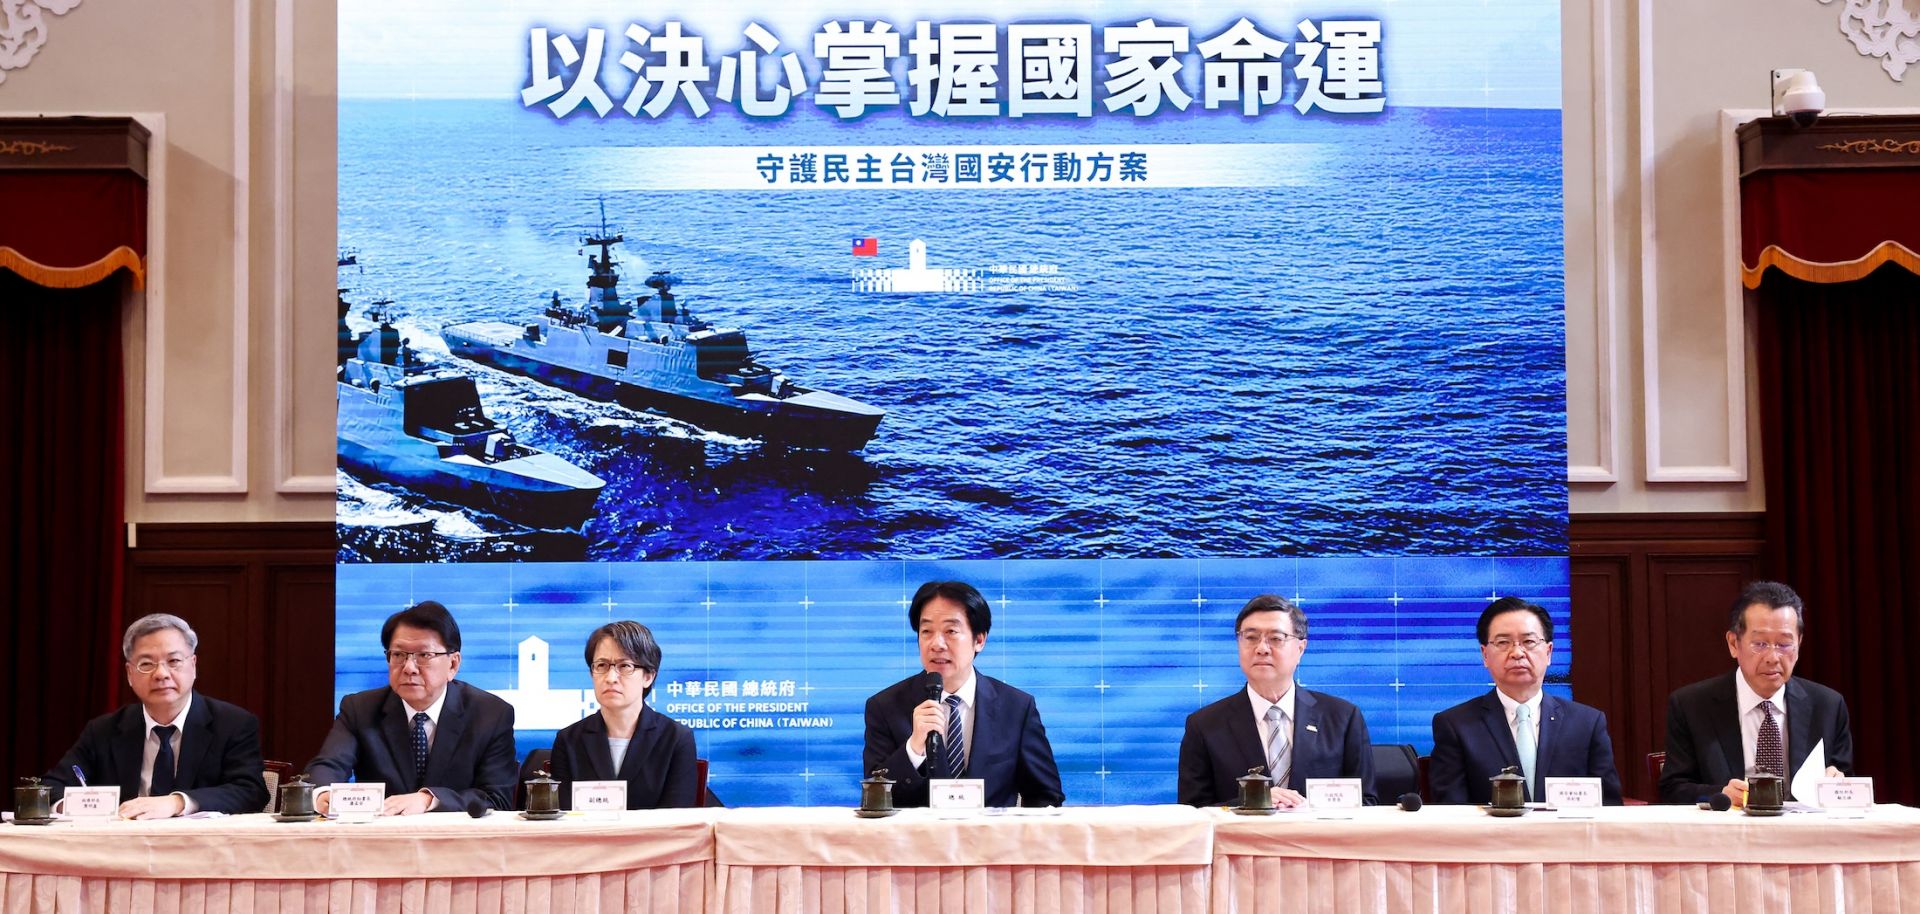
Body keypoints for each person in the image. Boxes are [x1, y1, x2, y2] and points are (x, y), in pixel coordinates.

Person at [39, 614, 268, 818]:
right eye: (146, 664)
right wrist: (84, 807)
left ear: (194, 665)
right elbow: (51, 788)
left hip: (202, 855)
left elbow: (251, 791)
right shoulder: (104, 730)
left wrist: (177, 802)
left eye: (174, 661)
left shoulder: (233, 724)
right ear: (130, 673)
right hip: (122, 852)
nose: (161, 674)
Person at [863, 581, 1064, 807]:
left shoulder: (1017, 708)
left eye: (950, 631)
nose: (936, 644)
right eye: (926, 631)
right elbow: (874, 799)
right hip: (917, 841)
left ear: (979, 640)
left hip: (993, 840)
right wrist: (913, 747)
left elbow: (1046, 796)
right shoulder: (885, 706)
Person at [305, 600, 516, 814]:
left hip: (458, 843)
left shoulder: (491, 714)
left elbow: (496, 798)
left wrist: (429, 799)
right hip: (379, 842)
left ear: (453, 664)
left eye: (424, 655)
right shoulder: (359, 709)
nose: (409, 668)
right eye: (398, 655)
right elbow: (328, 766)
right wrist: (323, 793)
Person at [1659, 581, 1852, 806]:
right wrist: (1720, 793)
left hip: (1804, 835)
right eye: (1760, 644)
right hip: (1727, 834)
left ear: (1799, 644)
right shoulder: (1691, 706)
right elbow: (1673, 789)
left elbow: (1846, 784)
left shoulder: (1828, 706)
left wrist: (1836, 783)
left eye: (1784, 644)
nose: (1773, 657)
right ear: (1733, 644)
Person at [1179, 594, 1376, 807]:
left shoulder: (1342, 718)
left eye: (1276, 638)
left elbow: (1366, 802)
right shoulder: (1205, 725)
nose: (1262, 648)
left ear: (1300, 649)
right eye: (1251, 637)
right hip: (1242, 840)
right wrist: (1252, 803)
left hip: (1318, 839)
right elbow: (1193, 812)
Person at [1428, 596, 1623, 805]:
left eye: (1529, 642)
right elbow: (1450, 812)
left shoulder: (1587, 723)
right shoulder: (1456, 725)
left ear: (1548, 652)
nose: (1517, 653)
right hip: (1489, 837)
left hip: (1566, 837)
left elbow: (1609, 807)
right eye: (1503, 642)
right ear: (1485, 655)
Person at [549, 621, 700, 808]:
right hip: (587, 837)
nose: (611, 678)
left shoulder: (675, 738)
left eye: (625, 666)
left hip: (655, 837)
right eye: (602, 665)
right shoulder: (569, 740)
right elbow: (563, 818)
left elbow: (677, 819)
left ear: (648, 676)